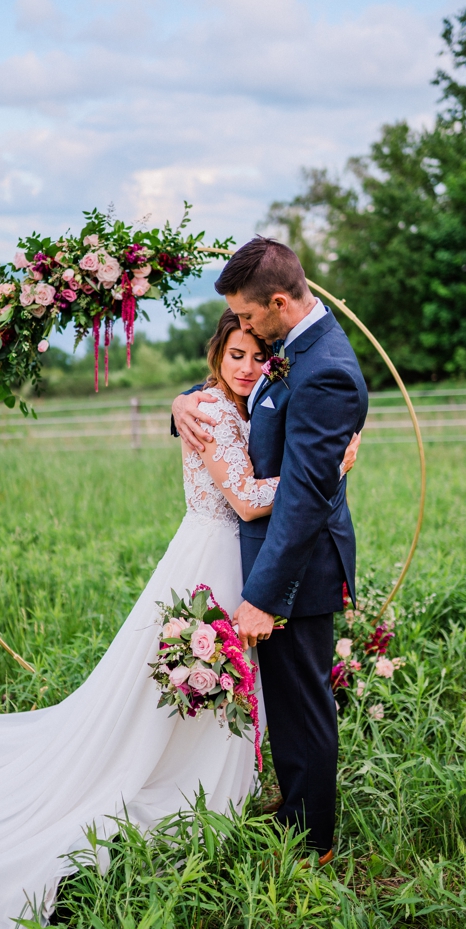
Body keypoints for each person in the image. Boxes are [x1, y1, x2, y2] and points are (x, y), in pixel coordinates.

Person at [0, 307, 355, 929]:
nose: (246, 367)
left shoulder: (250, 398)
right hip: (211, 557)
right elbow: (241, 499)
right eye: (234, 355)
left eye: (256, 356)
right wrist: (327, 473)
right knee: (175, 686)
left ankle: (232, 780)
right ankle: (182, 782)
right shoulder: (209, 408)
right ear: (217, 353)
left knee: (220, 679)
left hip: (239, 560)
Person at [172, 236, 368, 861]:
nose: (247, 329)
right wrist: (180, 405)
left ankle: (315, 841)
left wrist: (262, 597)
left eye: (252, 317)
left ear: (280, 303)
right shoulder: (293, 348)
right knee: (283, 695)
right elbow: (238, 411)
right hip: (271, 553)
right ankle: (294, 807)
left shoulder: (325, 370)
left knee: (305, 701)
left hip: (299, 566)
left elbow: (305, 497)